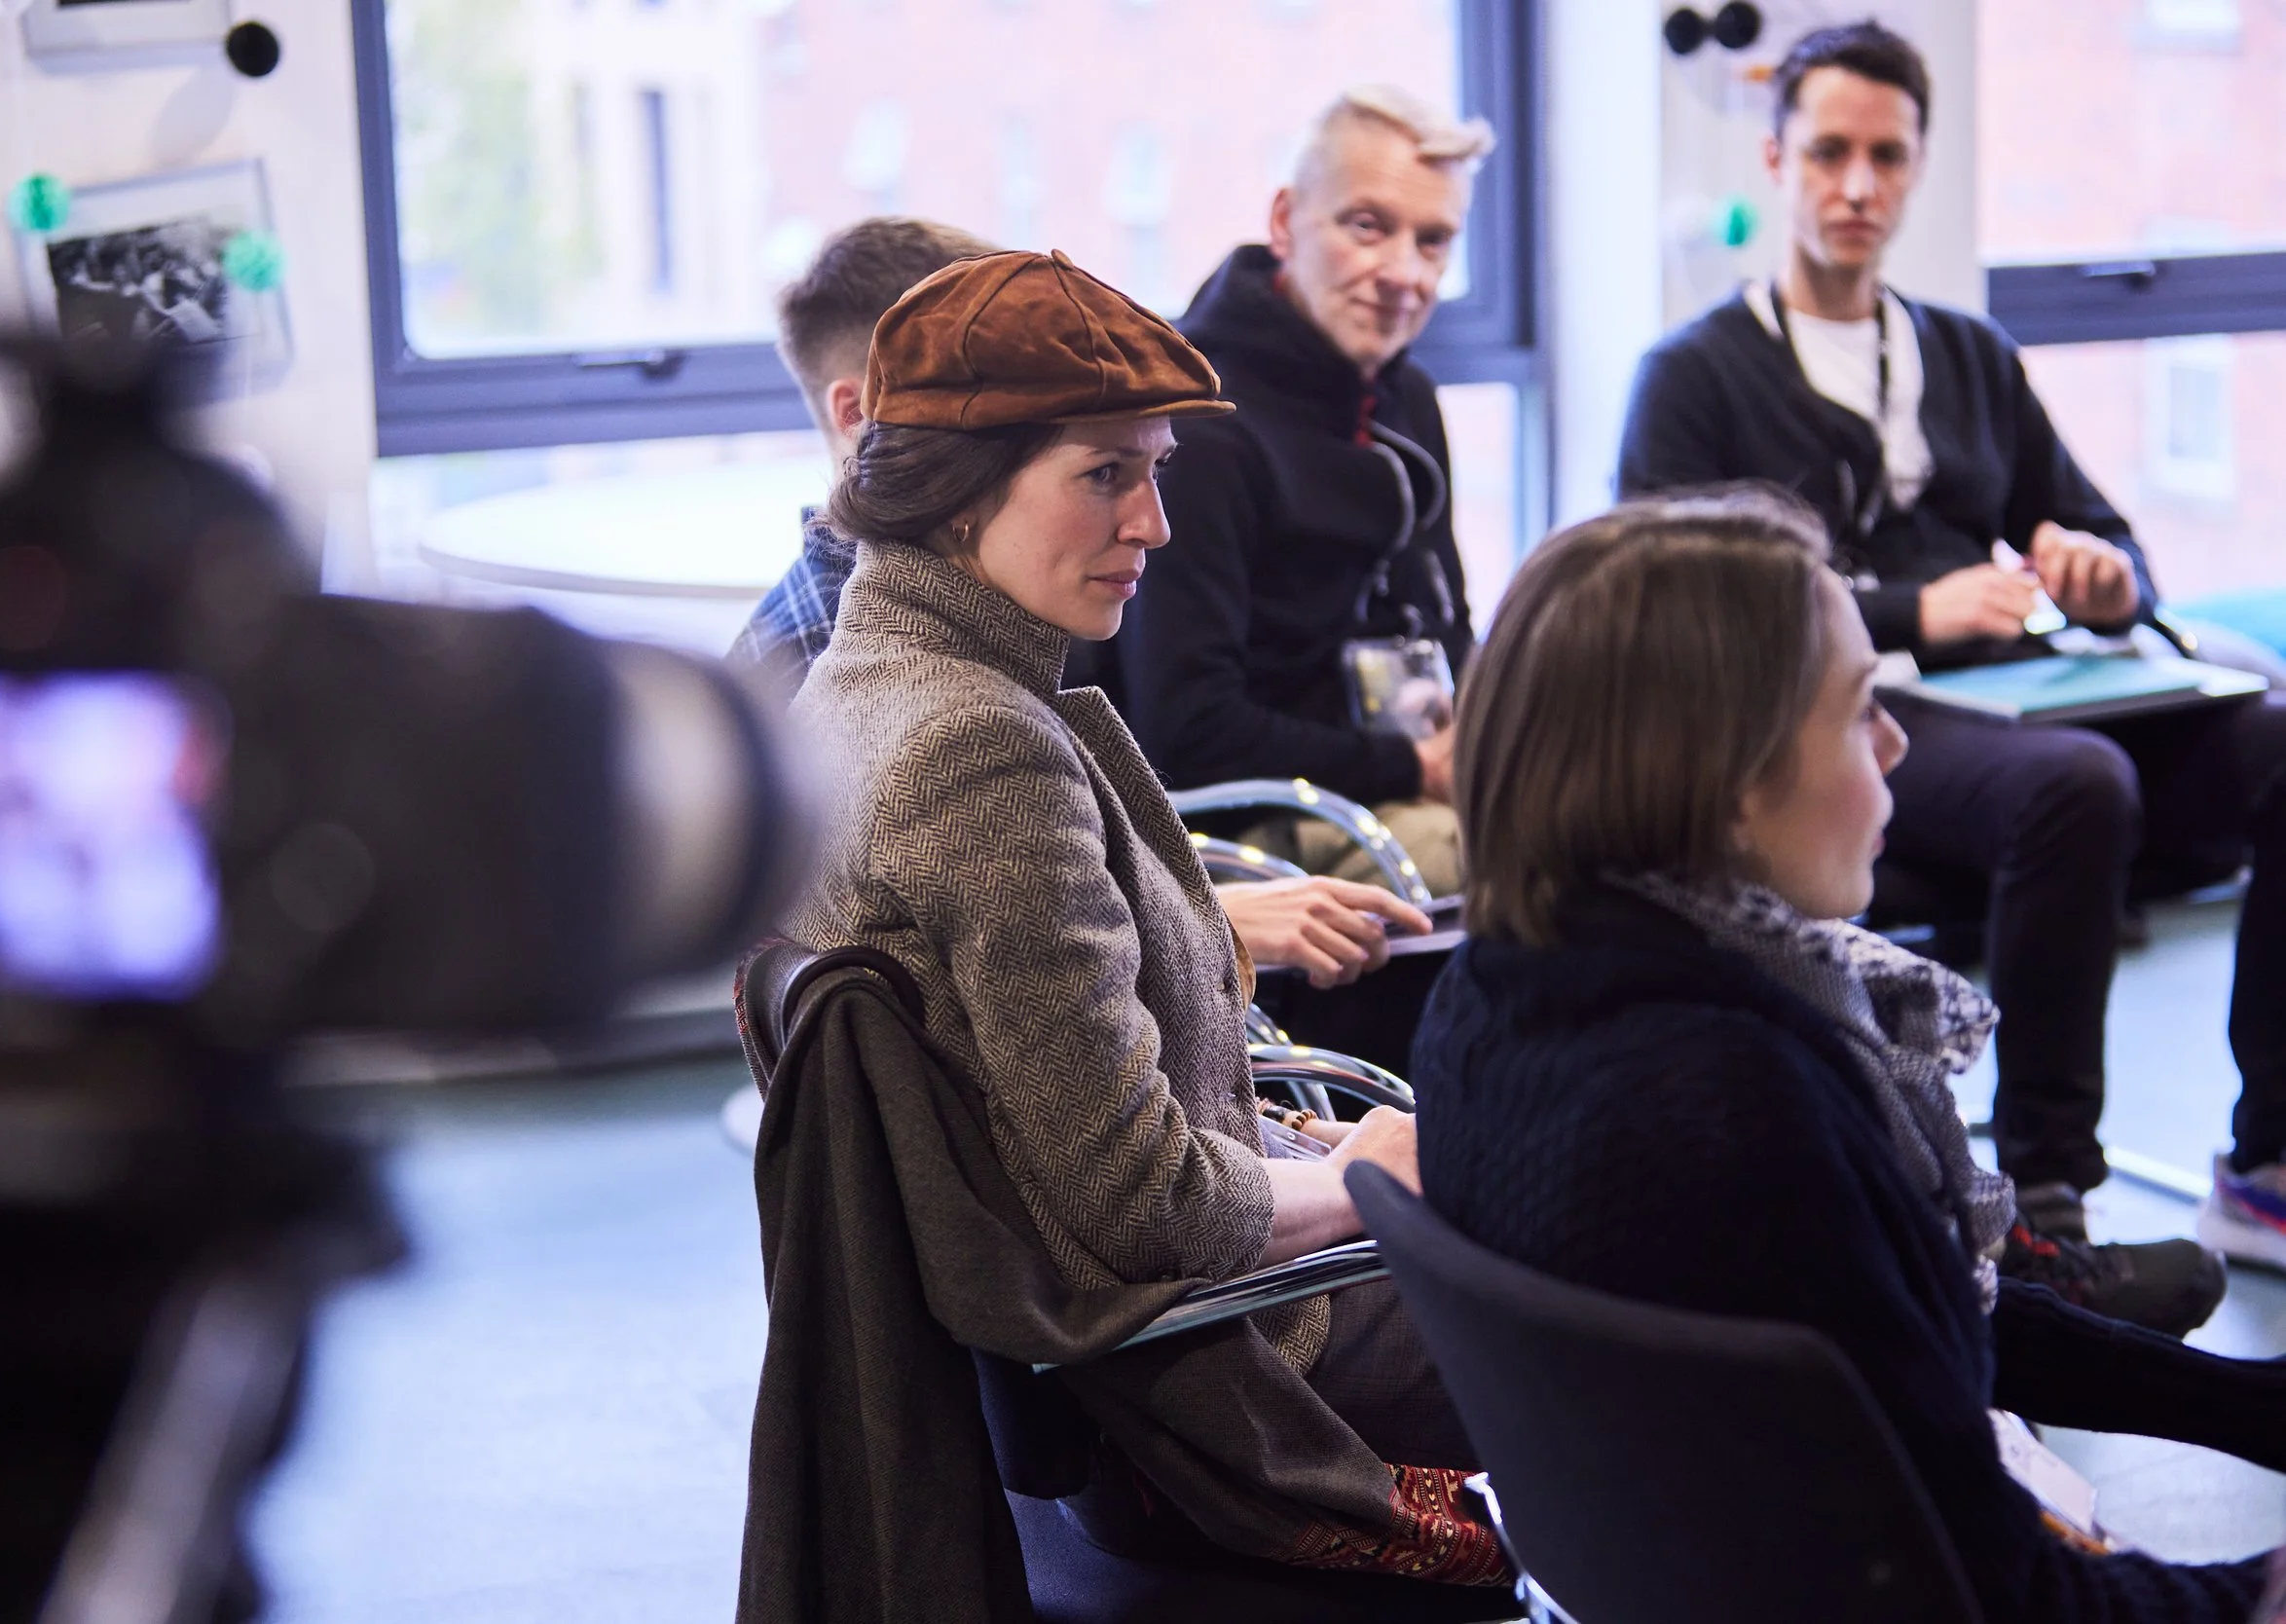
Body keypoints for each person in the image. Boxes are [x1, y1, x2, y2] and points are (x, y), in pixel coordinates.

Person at [1415, 489, 2284, 1624]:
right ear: (1732, 781)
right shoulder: (1732, 1102)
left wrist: (2248, 1404)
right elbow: (2001, 1592)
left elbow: (1902, 1320)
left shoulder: (1487, 1002)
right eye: (1862, 708)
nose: (1897, 743)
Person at [784, 246, 1504, 1581]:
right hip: (1209, 1368)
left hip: (1122, 1333)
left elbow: (1024, 1039)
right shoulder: (975, 751)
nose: (1154, 523)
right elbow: (1145, 1207)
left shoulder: (864, 684)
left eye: (1156, 468)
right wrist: (1363, 1179)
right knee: (1674, 1280)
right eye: (1105, 474)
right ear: (955, 494)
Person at [1614, 19, 2286, 1276]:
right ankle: (2044, 1197)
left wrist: (2102, 577)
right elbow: (1675, 621)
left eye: (1887, 156)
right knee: (2080, 788)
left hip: (2033, 703)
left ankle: (2265, 1164)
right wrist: (1920, 613)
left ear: (1917, 165)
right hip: (1838, 735)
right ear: (1774, 157)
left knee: (2276, 746)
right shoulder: (1691, 379)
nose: (1859, 186)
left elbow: (2108, 538)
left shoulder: (1969, 357)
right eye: (1828, 153)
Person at [729, 215, 1430, 994]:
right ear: (880, 420)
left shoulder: (940, 630)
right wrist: (1213, 927)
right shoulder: (929, 709)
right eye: (1102, 472)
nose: (1154, 526)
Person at [1114, 87, 1493, 895]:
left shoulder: (1408, 397)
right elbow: (1185, 729)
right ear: (1285, 220)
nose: (1403, 273)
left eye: (1433, 243)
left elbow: (1448, 624)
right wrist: (1410, 766)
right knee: (1529, 861)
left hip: (1401, 774)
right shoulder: (1198, 423)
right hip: (1252, 817)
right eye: (1367, 226)